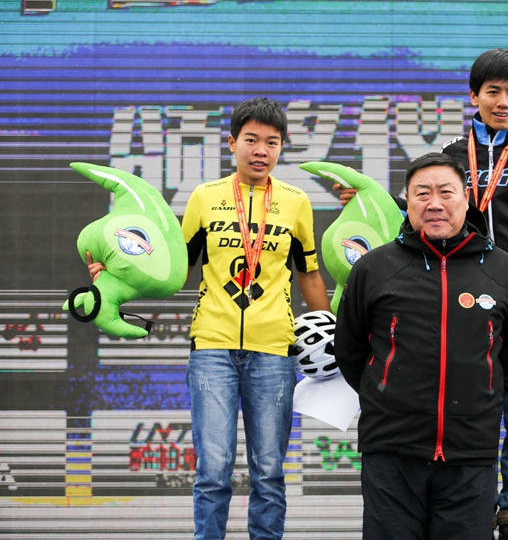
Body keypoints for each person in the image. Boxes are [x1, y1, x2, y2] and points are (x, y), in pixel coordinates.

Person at [336, 48, 508, 540]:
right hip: (449, 290)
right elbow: (412, 213)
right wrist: (364, 202)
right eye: (493, 91)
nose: (503, 101)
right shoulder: (451, 156)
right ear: (474, 95)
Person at [89, 97, 332, 540]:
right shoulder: (205, 197)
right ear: (232, 143)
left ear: (282, 148)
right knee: (214, 471)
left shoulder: (297, 203)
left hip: (274, 351)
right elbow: (172, 271)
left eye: (272, 142)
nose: (261, 150)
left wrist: (331, 338)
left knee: (269, 472)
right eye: (252, 140)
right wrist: (117, 280)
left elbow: (309, 274)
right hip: (212, 349)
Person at [334, 152, 508, 540]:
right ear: (406, 200)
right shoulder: (374, 268)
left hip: (471, 454)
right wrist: (386, 393)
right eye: (422, 193)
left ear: (467, 198)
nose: (435, 203)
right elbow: (351, 349)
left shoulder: (502, 269)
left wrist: (479, 396)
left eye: (446, 192)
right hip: (391, 450)